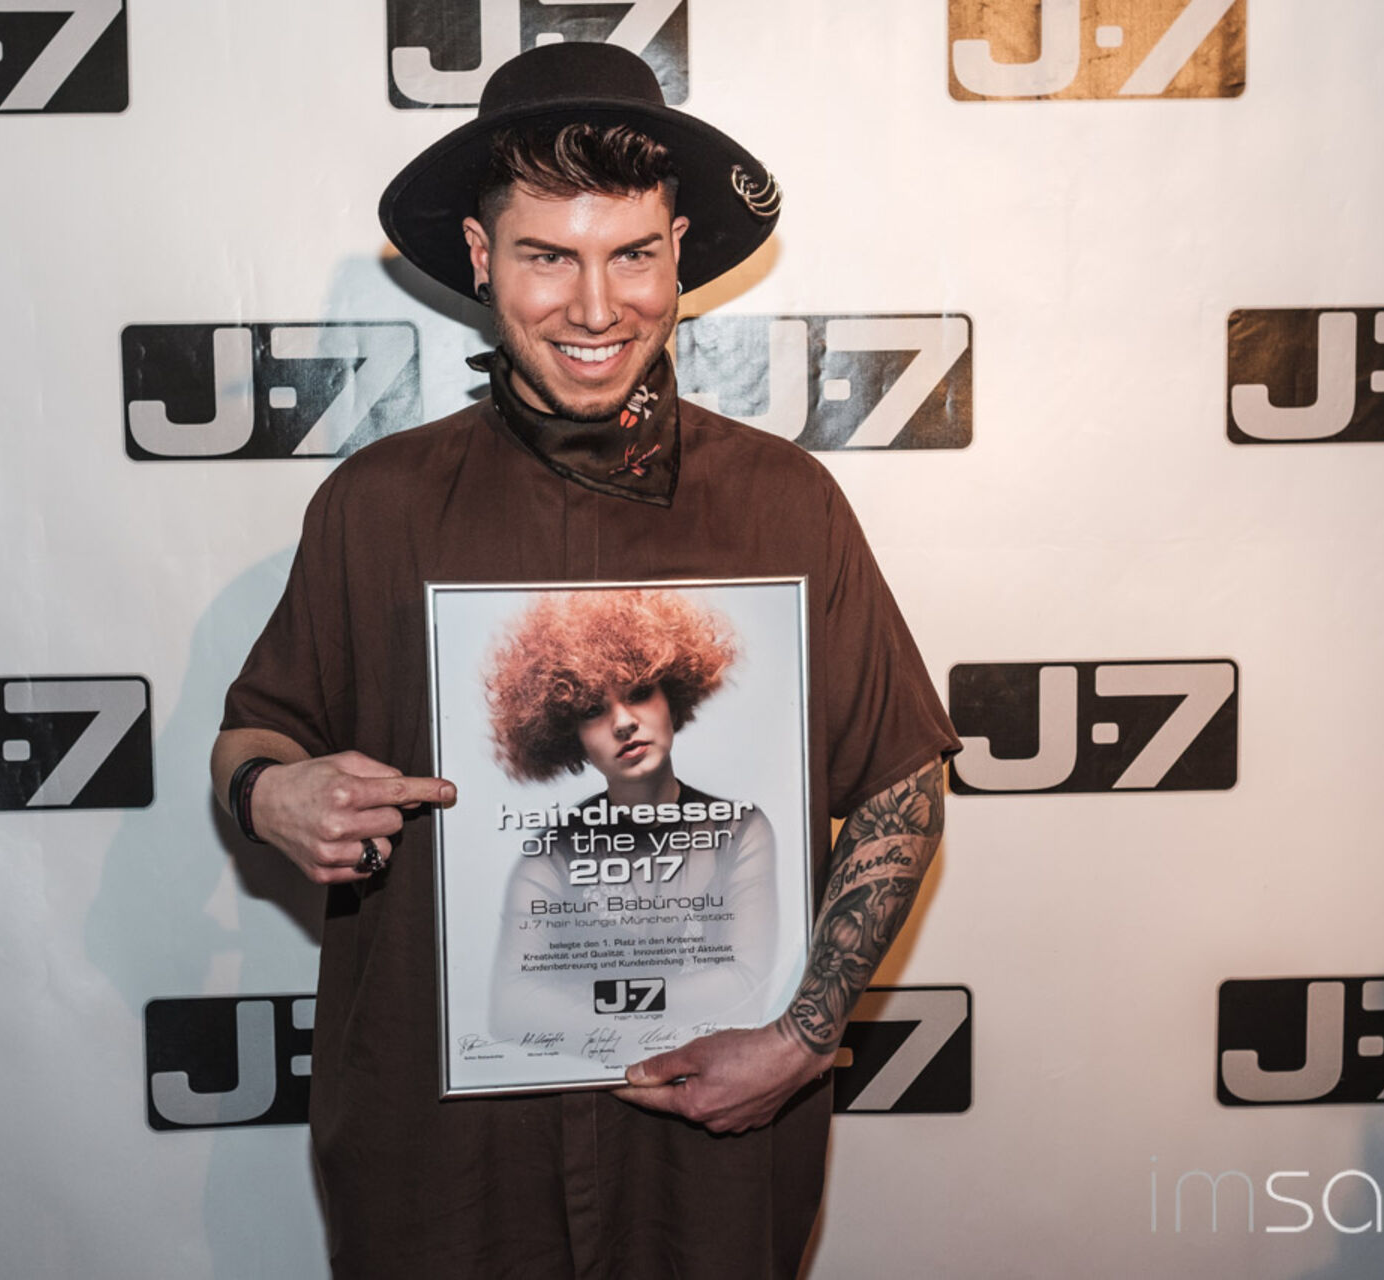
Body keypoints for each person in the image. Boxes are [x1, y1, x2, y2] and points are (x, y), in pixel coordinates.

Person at [212, 41, 959, 1279]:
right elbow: (255, 734)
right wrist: (268, 790)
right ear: (479, 255)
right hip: (442, 1156)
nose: (598, 306)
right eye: (549, 255)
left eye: (633, 255)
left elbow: (901, 782)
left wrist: (803, 1035)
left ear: (680, 251)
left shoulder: (786, 505)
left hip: (707, 1155)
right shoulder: (375, 507)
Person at [481, 589, 784, 1045]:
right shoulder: (551, 854)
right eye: (592, 709)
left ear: (673, 699)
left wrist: (590, 1002)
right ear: (568, 734)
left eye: (639, 692)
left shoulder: (739, 830)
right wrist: (661, 1008)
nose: (622, 722)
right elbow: (514, 1007)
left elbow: (747, 988)